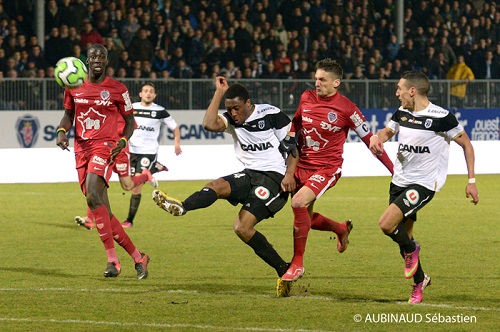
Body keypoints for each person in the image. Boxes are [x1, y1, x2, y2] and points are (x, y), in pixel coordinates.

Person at [152, 76, 295, 297]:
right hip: (250, 175)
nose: (233, 113)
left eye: (236, 108)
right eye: (229, 109)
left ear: (248, 103)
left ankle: (283, 269)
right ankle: (183, 206)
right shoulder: (232, 118)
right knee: (216, 185)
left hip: (274, 179)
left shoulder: (271, 114)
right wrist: (219, 93)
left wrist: (290, 175)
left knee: (242, 228)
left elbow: (293, 146)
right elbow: (209, 124)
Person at [279, 58, 394, 285]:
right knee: (306, 219)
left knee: (298, 203)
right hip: (302, 165)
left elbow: (371, 141)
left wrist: (394, 171)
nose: (317, 83)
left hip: (326, 167)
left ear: (336, 83)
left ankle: (297, 263)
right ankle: (340, 229)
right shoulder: (306, 98)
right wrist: (290, 161)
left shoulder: (347, 109)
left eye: (322, 80)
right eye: (316, 79)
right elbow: (296, 125)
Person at [369, 70, 479, 304]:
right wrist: (377, 138)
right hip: (399, 181)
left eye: (400, 88)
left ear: (413, 91)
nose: (397, 92)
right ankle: (420, 282)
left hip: (424, 184)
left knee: (386, 224)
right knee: (403, 238)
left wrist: (471, 181)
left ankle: (413, 248)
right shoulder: (401, 113)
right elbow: (386, 132)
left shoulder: (441, 117)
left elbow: (467, 146)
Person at [56, 44, 150, 279]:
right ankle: (138, 257)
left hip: (106, 147)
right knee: (102, 211)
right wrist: (61, 131)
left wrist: (123, 142)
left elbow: (129, 122)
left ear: (106, 61)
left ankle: (112, 261)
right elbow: (69, 115)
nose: (97, 59)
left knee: (92, 194)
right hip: (81, 149)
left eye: (102, 56)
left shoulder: (118, 89)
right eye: (93, 56)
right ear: (87, 61)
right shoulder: (73, 86)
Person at [121, 82, 182, 228]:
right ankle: (155, 168)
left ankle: (129, 220)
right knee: (127, 185)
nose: (148, 93)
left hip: (148, 152)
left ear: (154, 95)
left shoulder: (160, 111)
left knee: (136, 188)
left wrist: (177, 144)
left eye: (151, 91)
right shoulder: (132, 108)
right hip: (131, 151)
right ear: (141, 94)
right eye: (146, 91)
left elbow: (175, 127)